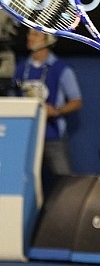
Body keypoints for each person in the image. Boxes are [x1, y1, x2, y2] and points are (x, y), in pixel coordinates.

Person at [13, 29, 83, 194]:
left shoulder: (61, 69)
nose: (29, 38)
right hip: (25, 136)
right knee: (21, 181)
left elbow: (76, 101)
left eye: (35, 35)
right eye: (29, 34)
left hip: (52, 135)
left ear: (48, 39)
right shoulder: (21, 69)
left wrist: (56, 111)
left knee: (64, 182)